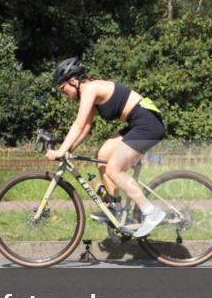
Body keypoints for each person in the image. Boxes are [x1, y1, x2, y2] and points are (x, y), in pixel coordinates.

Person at [45, 57, 167, 237]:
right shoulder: (90, 91)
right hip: (138, 123)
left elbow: (78, 125)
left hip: (147, 123)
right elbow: (86, 126)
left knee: (113, 169)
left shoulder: (90, 88)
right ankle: (115, 209)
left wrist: (61, 150)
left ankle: (151, 212)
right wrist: (69, 150)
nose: (64, 94)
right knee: (102, 155)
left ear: (73, 81)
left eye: (64, 89)